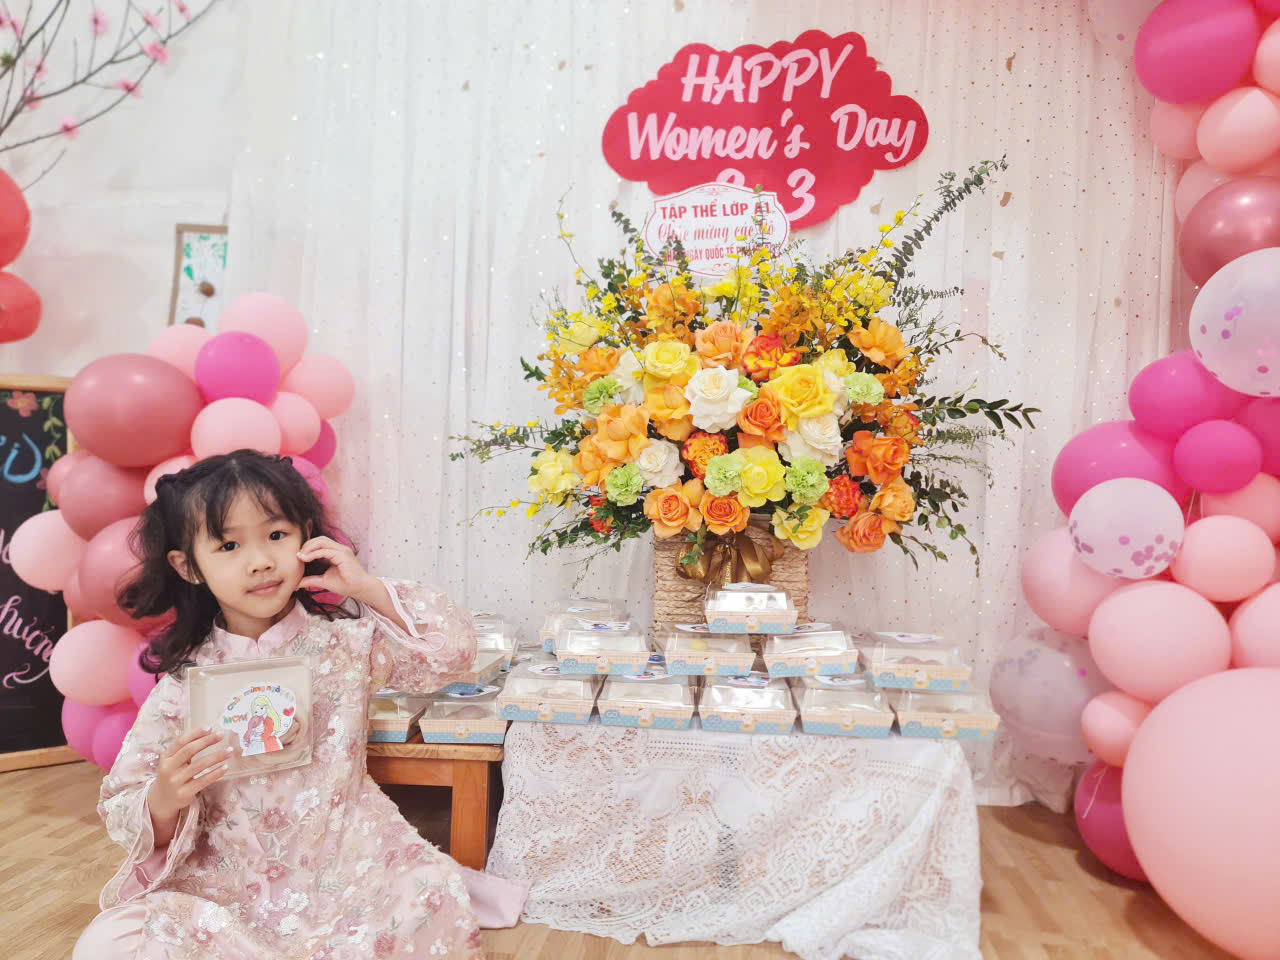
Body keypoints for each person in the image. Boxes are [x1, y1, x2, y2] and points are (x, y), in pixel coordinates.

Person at [73, 450, 525, 959]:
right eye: (228, 545)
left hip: (350, 865)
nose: (260, 561)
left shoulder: (348, 646)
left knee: (430, 894)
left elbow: (454, 654)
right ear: (188, 566)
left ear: (306, 536)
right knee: (108, 944)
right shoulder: (183, 685)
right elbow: (123, 801)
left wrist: (368, 588)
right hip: (225, 884)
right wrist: (164, 796)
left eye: (276, 534)